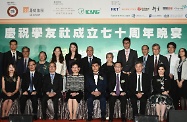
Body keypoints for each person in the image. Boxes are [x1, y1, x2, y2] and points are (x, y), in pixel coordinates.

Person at [165, 42, 179, 109]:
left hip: (174, 78)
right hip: (166, 78)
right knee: (167, 94)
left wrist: (173, 74)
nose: (170, 49)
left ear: (175, 48)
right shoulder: (165, 56)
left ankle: (175, 110)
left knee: (175, 94)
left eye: (172, 47)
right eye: (169, 47)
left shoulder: (177, 57)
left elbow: (178, 68)